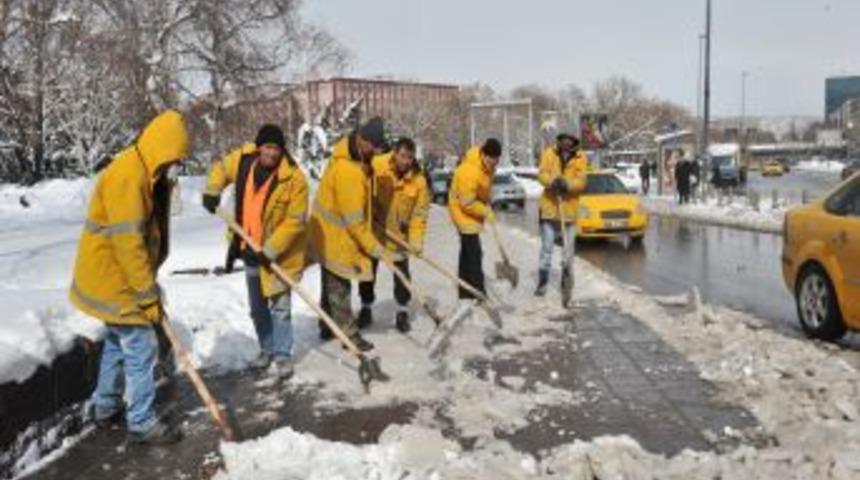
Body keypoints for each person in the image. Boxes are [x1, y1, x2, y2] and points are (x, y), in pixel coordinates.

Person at [69, 110, 188, 445]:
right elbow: (129, 245)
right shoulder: (127, 177)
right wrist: (147, 295)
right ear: (161, 147)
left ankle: (105, 407)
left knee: (116, 343)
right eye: (174, 159)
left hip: (115, 274)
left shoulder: (145, 171)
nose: (175, 166)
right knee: (141, 345)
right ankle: (141, 422)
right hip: (114, 276)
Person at [202, 124, 308, 378]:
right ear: (259, 147)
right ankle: (267, 349)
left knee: (280, 309)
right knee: (257, 307)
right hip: (249, 249)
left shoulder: (294, 178)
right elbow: (220, 169)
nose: (271, 153)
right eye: (268, 147)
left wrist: (271, 249)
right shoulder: (243, 161)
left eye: (277, 148)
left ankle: (282, 356)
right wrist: (212, 190)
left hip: (280, 255)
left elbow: (295, 221)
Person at [309, 117, 398, 350]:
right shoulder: (349, 171)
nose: (376, 152)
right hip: (334, 236)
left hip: (326, 232)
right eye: (374, 146)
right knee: (340, 287)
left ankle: (326, 325)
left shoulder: (353, 157)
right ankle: (349, 335)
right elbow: (354, 221)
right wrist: (375, 248)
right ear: (362, 139)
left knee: (330, 284)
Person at [358, 137, 430, 333]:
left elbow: (419, 215)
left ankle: (401, 311)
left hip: (399, 237)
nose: (406, 161)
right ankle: (366, 308)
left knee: (402, 278)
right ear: (395, 153)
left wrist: (416, 241)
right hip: (375, 232)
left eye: (410, 157)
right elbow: (361, 186)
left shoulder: (419, 181)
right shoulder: (377, 165)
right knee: (367, 274)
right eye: (403, 156)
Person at [534, 134, 588, 297]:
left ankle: (566, 281)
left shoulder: (580, 157)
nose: (566, 143)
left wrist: (567, 185)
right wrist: (552, 182)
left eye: (569, 141)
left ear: (573, 143)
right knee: (547, 249)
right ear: (560, 141)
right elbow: (541, 174)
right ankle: (542, 282)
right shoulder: (549, 153)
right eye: (564, 140)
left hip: (569, 211)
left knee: (568, 252)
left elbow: (582, 182)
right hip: (550, 210)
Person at [448, 138, 502, 301]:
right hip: (462, 210)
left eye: (497, 159)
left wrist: (487, 201)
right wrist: (485, 212)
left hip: (471, 207)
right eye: (493, 159)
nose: (495, 163)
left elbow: (483, 188)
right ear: (484, 155)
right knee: (474, 253)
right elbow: (467, 203)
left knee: (467, 252)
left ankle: (465, 291)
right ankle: (479, 292)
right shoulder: (470, 171)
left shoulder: (487, 167)